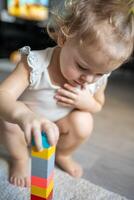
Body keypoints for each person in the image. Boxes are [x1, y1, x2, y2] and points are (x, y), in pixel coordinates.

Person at [0, 0, 133, 188]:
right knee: (7, 122)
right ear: (63, 38)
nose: (89, 79)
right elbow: (2, 96)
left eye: (100, 73)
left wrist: (86, 101)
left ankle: (62, 154)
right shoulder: (34, 65)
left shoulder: (97, 76)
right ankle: (20, 158)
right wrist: (23, 115)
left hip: (57, 125)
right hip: (24, 126)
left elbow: (98, 105)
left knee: (84, 120)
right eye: (82, 66)